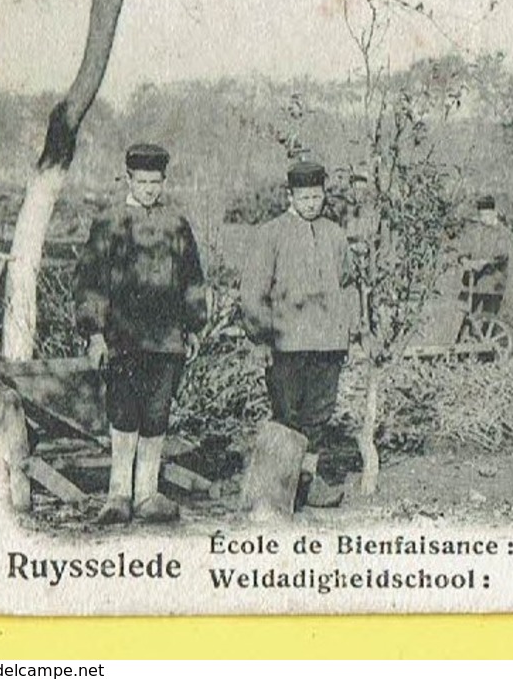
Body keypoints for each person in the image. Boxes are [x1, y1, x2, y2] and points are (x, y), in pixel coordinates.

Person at [74, 142, 208, 525]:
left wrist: (193, 325)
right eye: (142, 181)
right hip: (122, 340)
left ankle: (147, 492)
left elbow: (192, 279)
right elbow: (91, 281)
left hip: (166, 341)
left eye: (156, 182)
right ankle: (118, 494)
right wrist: (95, 333)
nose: (149, 189)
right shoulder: (110, 222)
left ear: (164, 181)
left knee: (156, 415)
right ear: (129, 178)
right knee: (123, 412)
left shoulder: (177, 224)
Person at [239, 160, 357, 509]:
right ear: (290, 195)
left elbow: (347, 281)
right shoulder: (270, 234)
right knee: (287, 416)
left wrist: (352, 328)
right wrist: (259, 338)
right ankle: (279, 489)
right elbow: (252, 291)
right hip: (286, 343)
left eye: (316, 197)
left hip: (327, 343)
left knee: (318, 416)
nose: (311, 204)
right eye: (304, 197)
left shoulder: (335, 235)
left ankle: (307, 483)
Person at [457, 195, 511, 343]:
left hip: (493, 281)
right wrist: (464, 260)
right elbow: (463, 250)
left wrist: (484, 262)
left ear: (494, 213)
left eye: (487, 215)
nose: (483, 218)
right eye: (481, 215)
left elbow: (501, 254)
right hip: (472, 282)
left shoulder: (502, 232)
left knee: (489, 317)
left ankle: (487, 351)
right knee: (466, 315)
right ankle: (464, 344)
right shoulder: (474, 231)